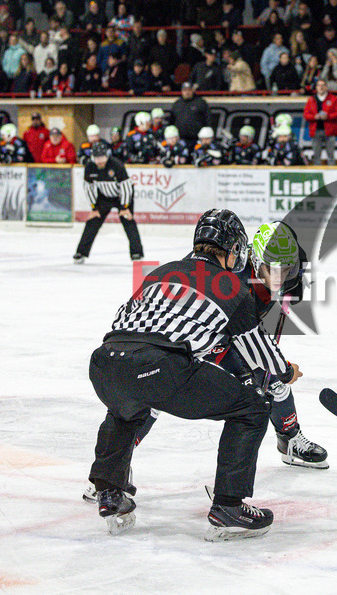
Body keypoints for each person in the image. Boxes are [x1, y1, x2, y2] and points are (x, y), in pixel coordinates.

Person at [86, 209, 299, 540]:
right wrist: (286, 372)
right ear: (234, 251)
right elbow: (260, 353)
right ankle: (229, 504)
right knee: (253, 409)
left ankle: (110, 491)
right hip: (158, 366)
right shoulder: (232, 285)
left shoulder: (162, 270)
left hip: (103, 363)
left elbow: (126, 317)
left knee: (127, 408)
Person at [74, 138, 144, 263]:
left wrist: (125, 207)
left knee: (128, 220)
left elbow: (126, 186)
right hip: (104, 197)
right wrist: (94, 208)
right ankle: (81, 252)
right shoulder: (90, 167)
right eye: (97, 158)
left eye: (102, 158)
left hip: (122, 197)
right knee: (92, 221)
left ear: (107, 156)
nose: (100, 161)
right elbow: (88, 188)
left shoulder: (116, 164)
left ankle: (136, 252)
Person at [303, 79, 337, 166]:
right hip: (316, 130)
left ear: (326, 87)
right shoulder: (311, 100)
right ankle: (317, 175)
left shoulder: (333, 99)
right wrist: (314, 117)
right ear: (316, 87)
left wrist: (328, 116)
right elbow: (306, 114)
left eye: (323, 85)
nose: (321, 87)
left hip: (330, 130)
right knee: (316, 155)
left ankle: (333, 174)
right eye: (319, 85)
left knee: (330, 154)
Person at [172, 81, 211, 148]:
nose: (187, 92)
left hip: (198, 139)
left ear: (193, 90)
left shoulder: (201, 103)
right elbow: (172, 121)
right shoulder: (177, 104)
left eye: (189, 90)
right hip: (181, 140)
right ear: (181, 91)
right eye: (185, 90)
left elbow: (208, 120)